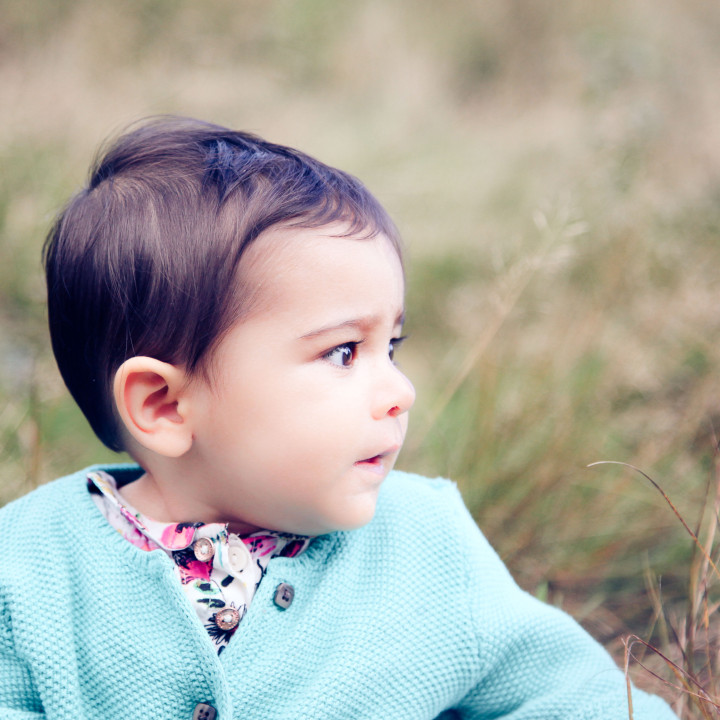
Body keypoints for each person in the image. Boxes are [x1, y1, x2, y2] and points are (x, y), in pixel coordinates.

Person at [0, 117, 677, 720]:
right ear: (164, 405)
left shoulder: (428, 548)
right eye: (343, 352)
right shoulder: (27, 569)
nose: (400, 391)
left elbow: (580, 699)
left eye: (394, 346)